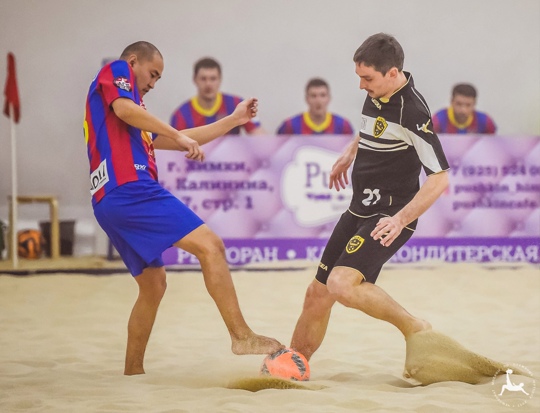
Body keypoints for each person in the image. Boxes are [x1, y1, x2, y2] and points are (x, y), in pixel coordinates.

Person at [83, 41, 282, 375]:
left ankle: (133, 372)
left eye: (158, 79)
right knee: (211, 245)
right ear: (133, 61)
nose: (153, 83)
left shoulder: (132, 117)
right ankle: (241, 336)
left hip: (108, 202)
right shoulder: (117, 74)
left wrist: (233, 120)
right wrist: (178, 135)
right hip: (130, 188)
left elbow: (181, 137)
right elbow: (130, 112)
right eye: (152, 74)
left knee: (153, 285)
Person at [289, 33, 450, 364]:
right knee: (317, 294)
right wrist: (351, 151)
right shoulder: (378, 92)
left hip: (387, 218)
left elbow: (440, 178)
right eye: (359, 77)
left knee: (341, 284)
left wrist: (400, 220)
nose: (361, 85)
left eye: (367, 78)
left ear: (392, 73)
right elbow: (372, 125)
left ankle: (415, 327)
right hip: (358, 209)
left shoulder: (411, 111)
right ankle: (294, 365)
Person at [170, 57, 265, 135]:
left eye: (213, 78)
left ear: (220, 80)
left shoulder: (237, 104)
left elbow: (260, 137)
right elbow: (174, 147)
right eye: (203, 79)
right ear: (194, 80)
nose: (208, 84)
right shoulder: (181, 115)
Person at [276, 78, 354, 135]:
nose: (318, 100)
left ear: (329, 98)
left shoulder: (343, 125)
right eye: (313, 96)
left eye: (322, 95)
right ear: (307, 99)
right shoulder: (290, 126)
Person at [432, 83, 497, 134]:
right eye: (459, 104)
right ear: (451, 101)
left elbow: (492, 144)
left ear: (474, 103)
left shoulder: (485, 122)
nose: (463, 110)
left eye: (468, 105)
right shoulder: (438, 120)